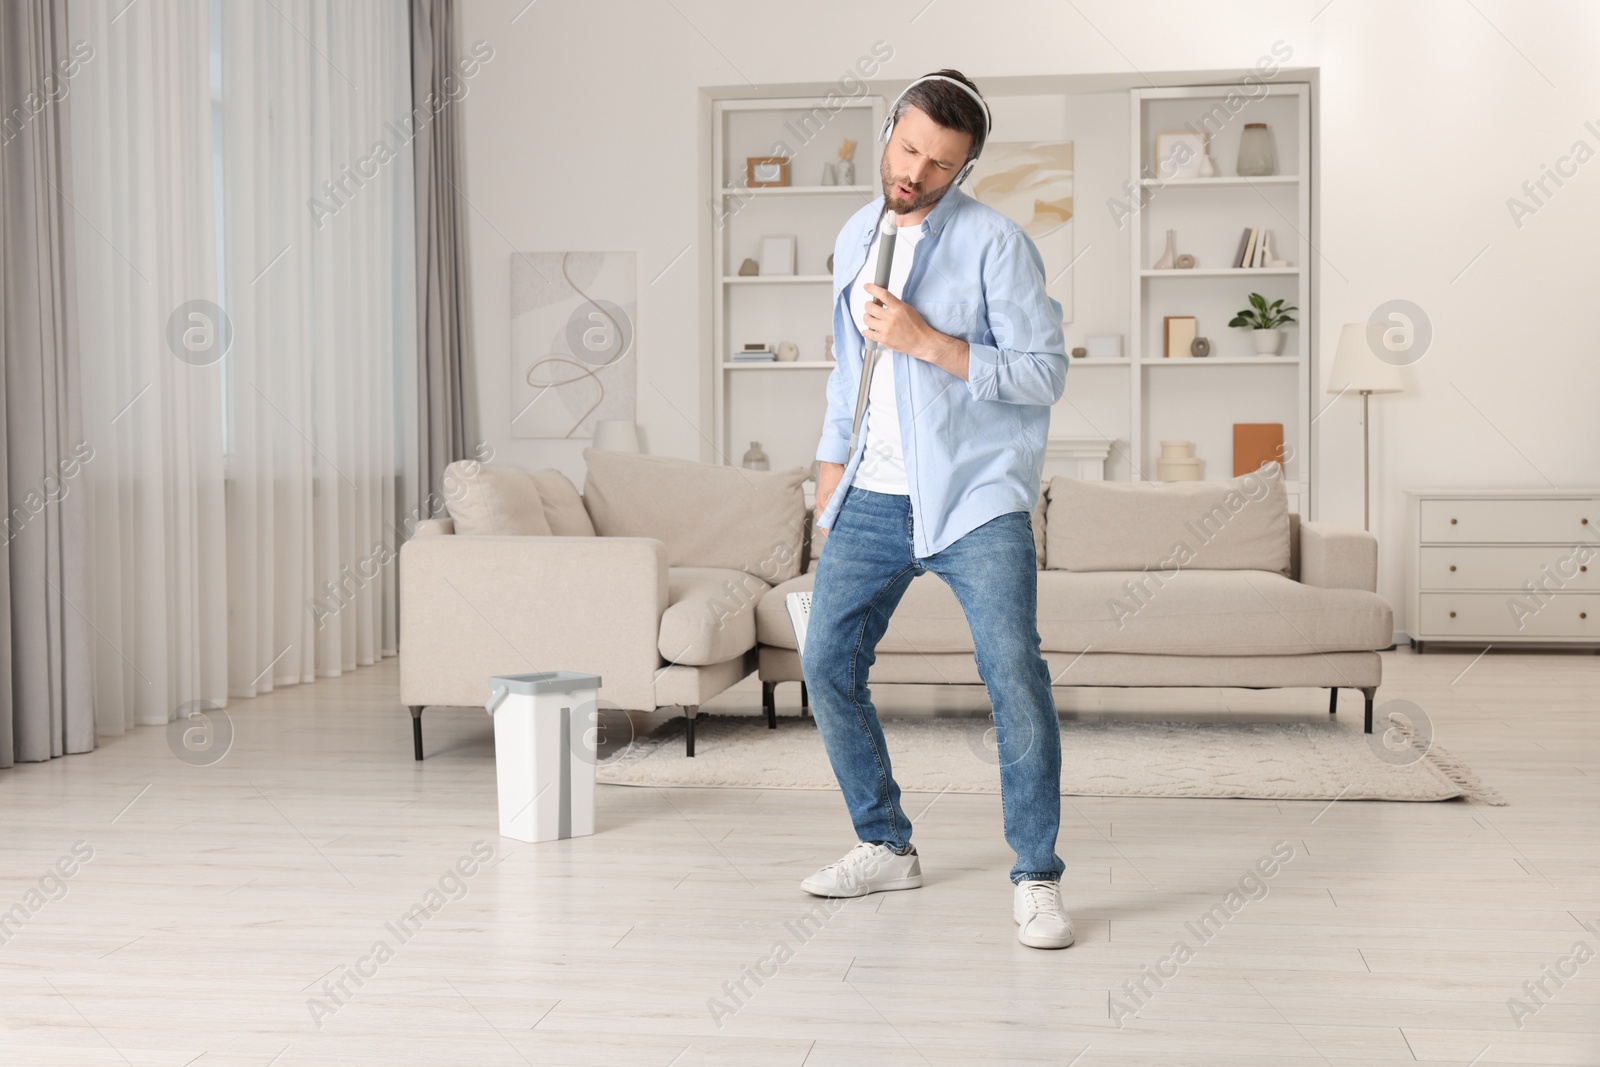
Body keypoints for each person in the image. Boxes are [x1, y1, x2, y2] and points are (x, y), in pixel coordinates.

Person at [799, 70, 1073, 949]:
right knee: (827, 662)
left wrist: (927, 341)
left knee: (1012, 675)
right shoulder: (853, 234)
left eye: (941, 163)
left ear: (965, 170)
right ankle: (884, 842)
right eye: (910, 147)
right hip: (869, 494)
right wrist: (828, 470)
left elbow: (1043, 372)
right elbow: (849, 368)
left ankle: (1036, 875)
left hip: (974, 496)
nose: (917, 170)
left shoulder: (997, 245)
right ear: (890, 132)